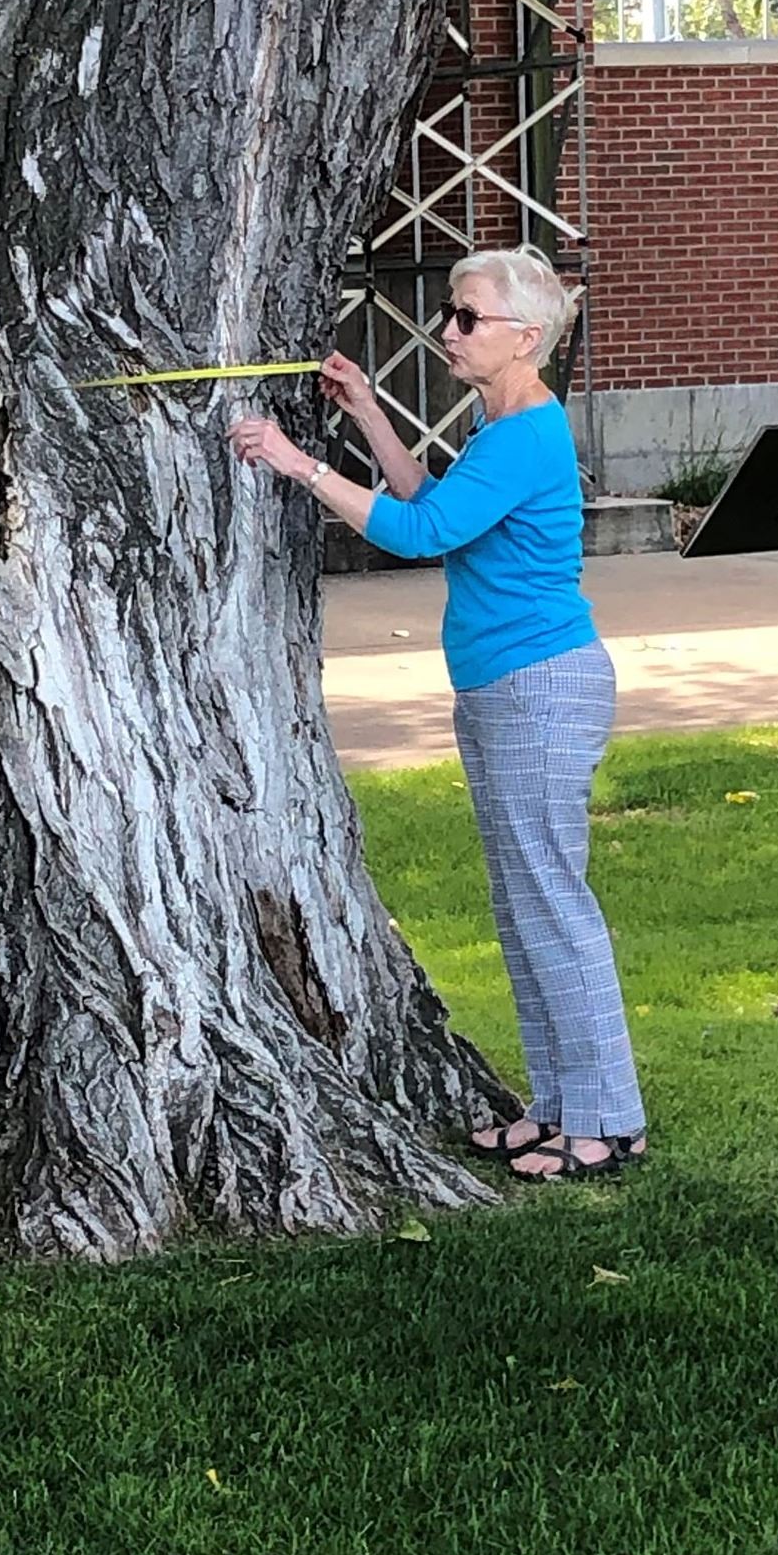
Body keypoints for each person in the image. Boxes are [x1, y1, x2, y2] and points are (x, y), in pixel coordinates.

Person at [227, 247, 648, 1181]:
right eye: (450, 314)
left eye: (468, 318)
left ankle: (610, 1122)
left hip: (541, 686)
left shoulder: (528, 433)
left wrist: (296, 462)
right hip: (503, 688)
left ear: (525, 338)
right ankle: (557, 1109)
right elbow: (435, 501)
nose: (447, 331)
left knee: (553, 905)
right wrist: (368, 412)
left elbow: (419, 536)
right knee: (521, 904)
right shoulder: (501, 430)